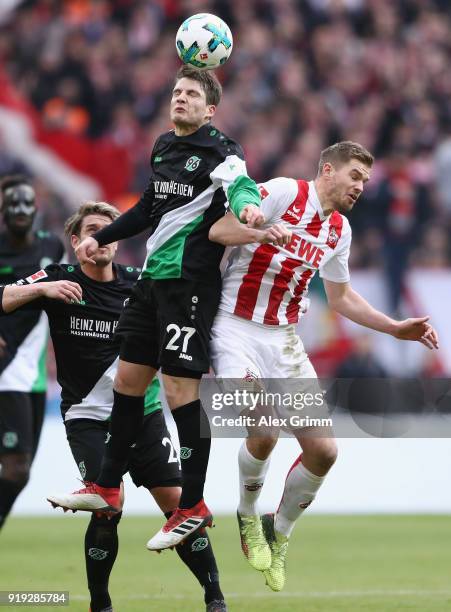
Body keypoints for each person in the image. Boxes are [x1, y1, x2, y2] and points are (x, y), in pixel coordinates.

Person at [48, 64, 274, 551]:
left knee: (177, 389)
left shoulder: (222, 149)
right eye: (176, 92)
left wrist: (250, 207)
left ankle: (191, 504)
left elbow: (240, 185)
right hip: (152, 281)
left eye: (191, 94)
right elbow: (150, 206)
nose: (180, 98)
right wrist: (101, 238)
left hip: (188, 285)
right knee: (129, 381)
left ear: (209, 109)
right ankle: (105, 485)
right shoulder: (163, 146)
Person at [208, 141, 439, 591]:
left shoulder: (339, 231)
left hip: (285, 341)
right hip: (234, 329)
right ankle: (247, 514)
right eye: (355, 176)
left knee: (325, 452)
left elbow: (341, 297)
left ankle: (281, 532)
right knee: (264, 428)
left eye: (365, 181)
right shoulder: (280, 193)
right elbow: (218, 231)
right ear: (327, 170)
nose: (360, 187)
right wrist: (260, 232)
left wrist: (394, 328)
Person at [0, 202, 228, 612]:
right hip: (87, 416)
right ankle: (100, 604)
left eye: (108, 231)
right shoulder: (58, 279)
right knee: (107, 506)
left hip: (142, 412)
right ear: (75, 241)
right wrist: (41, 289)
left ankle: (215, 600)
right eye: (91, 230)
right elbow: (3, 297)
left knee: (179, 506)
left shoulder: (142, 284)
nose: (100, 238)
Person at [0, 175, 65, 531]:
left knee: (23, 470)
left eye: (27, 203)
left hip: (35, 372)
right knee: (16, 468)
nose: (20, 210)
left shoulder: (52, 247)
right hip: (6, 368)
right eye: (13, 204)